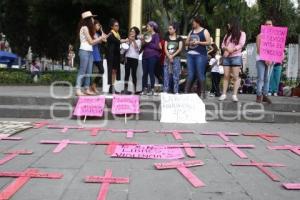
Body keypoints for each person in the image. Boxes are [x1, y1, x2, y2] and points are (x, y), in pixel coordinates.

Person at [76, 11, 104, 96]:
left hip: (90, 51)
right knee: (82, 70)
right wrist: (100, 39)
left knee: (88, 71)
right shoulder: (84, 28)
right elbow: (91, 42)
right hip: (84, 51)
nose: (93, 19)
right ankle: (77, 89)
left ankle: (87, 89)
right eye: (92, 18)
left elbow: (92, 42)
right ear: (88, 19)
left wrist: (100, 38)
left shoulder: (89, 29)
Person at [219, 17, 246, 102]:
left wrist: (232, 49)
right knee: (226, 76)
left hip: (236, 57)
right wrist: (226, 49)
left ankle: (234, 95)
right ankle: (224, 94)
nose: (228, 25)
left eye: (229, 23)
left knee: (235, 76)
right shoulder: (227, 35)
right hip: (226, 57)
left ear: (234, 24)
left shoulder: (242, 33)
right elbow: (222, 44)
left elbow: (241, 44)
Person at [185, 16, 211, 99]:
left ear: (197, 22)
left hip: (200, 55)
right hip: (190, 54)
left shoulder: (205, 31)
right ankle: (186, 92)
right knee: (190, 74)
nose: (192, 23)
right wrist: (190, 43)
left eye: (193, 22)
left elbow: (209, 42)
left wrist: (198, 42)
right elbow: (186, 42)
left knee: (200, 73)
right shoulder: (191, 31)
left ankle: (203, 92)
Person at [255, 19, 274, 103]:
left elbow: (276, 49)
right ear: (264, 25)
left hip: (270, 60)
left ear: (272, 26)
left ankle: (265, 95)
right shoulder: (260, 36)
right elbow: (259, 49)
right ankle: (259, 95)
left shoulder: (274, 36)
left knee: (267, 78)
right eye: (267, 24)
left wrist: (273, 59)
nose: (268, 25)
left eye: (270, 24)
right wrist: (266, 58)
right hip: (260, 59)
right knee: (261, 78)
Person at [106, 19, 127, 94]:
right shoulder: (111, 34)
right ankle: (111, 87)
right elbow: (118, 41)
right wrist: (126, 40)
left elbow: (119, 41)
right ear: (112, 26)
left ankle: (112, 86)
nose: (117, 27)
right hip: (111, 55)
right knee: (112, 71)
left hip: (116, 55)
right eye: (115, 25)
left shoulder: (117, 34)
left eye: (118, 25)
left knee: (114, 71)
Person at [141, 21, 161, 95]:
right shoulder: (146, 35)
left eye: (148, 26)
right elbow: (143, 46)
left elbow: (156, 46)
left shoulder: (156, 35)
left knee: (151, 72)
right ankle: (144, 89)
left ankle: (152, 89)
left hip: (152, 56)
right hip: (145, 55)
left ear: (152, 27)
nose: (147, 28)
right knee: (144, 73)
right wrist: (143, 41)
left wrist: (148, 42)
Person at [163, 23, 183, 94]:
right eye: (169, 29)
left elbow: (180, 48)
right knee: (166, 74)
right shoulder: (167, 38)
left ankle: (176, 90)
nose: (169, 30)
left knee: (176, 74)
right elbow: (165, 48)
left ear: (175, 29)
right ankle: (165, 90)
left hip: (176, 58)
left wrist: (172, 56)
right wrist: (169, 56)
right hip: (167, 58)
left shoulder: (179, 38)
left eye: (170, 29)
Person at [122, 26, 142, 94]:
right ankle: (125, 89)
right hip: (128, 58)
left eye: (133, 31)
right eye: (131, 31)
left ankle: (134, 89)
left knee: (134, 74)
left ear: (136, 33)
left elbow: (137, 49)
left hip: (135, 59)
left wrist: (133, 41)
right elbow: (123, 49)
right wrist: (128, 41)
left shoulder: (138, 41)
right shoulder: (127, 39)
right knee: (126, 74)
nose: (132, 32)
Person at [91, 20, 106, 94]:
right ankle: (91, 86)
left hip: (97, 54)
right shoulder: (92, 33)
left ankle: (93, 85)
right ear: (94, 26)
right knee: (100, 70)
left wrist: (101, 30)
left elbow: (104, 39)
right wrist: (101, 38)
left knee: (102, 71)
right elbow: (99, 40)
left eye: (99, 25)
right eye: (98, 25)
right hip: (92, 53)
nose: (99, 26)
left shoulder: (97, 33)